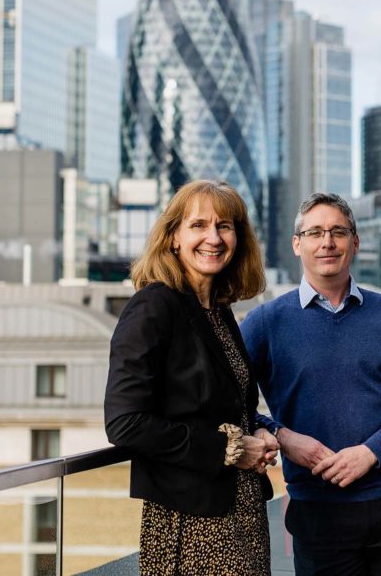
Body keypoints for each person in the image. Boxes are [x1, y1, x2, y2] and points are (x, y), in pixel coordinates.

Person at [241, 192, 381, 576]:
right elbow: (225, 401)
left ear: (356, 242)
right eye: (314, 232)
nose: (327, 242)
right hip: (318, 509)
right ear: (297, 244)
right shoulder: (266, 322)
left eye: (338, 232)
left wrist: (370, 452)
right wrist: (281, 436)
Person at [104, 179, 279, 575]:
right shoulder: (153, 306)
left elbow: (227, 406)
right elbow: (124, 423)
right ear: (173, 238)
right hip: (190, 522)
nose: (213, 238)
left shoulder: (218, 310)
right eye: (198, 225)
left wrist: (262, 430)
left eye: (225, 226)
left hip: (242, 514)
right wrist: (230, 449)